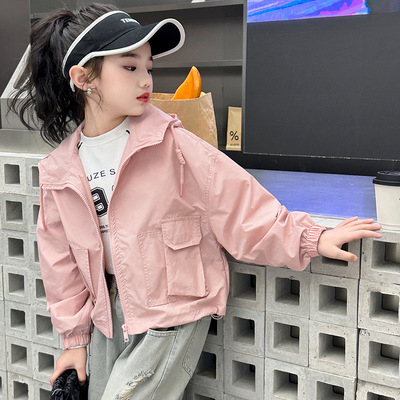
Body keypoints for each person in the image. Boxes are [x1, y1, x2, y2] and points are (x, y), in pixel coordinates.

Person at [10, 3, 381, 399]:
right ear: (83, 78)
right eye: (130, 67)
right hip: (108, 315)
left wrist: (311, 238)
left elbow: (239, 206)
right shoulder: (60, 169)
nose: (146, 79)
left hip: (172, 313)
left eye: (148, 67)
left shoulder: (174, 145)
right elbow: (61, 262)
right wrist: (73, 341)